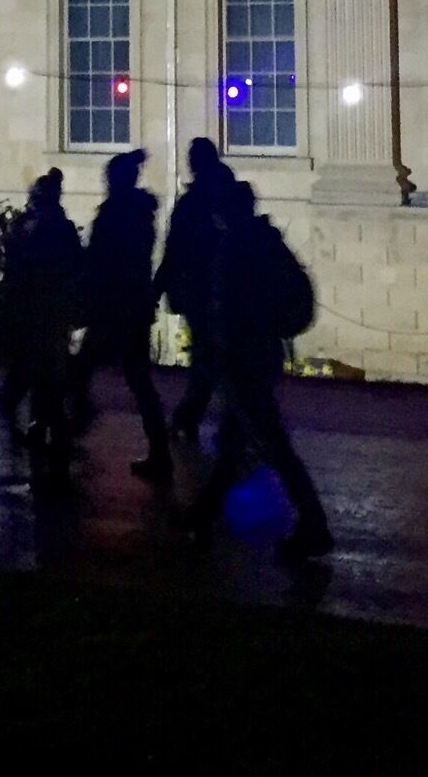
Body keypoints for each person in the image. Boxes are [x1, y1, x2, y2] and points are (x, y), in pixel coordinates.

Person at [188, 180, 332, 562]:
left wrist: (221, 350)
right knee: (234, 443)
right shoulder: (261, 242)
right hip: (256, 355)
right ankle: (202, 513)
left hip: (245, 359)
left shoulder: (240, 247)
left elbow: (230, 310)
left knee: (272, 445)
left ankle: (314, 525)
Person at [69, 149, 172, 481]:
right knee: (137, 380)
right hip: (131, 305)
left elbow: (101, 261)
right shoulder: (138, 214)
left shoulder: (117, 215)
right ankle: (159, 450)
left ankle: (73, 426)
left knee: (87, 369)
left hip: (113, 306)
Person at [0, 167, 83, 481]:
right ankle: (46, 432)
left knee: (35, 377)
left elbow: (18, 271)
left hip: (38, 313)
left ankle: (46, 434)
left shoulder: (36, 229)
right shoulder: (59, 228)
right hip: (49, 314)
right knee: (46, 379)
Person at [158, 137, 236, 439]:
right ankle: (201, 417)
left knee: (208, 356)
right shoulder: (224, 196)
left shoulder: (196, 202)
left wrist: (161, 286)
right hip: (218, 289)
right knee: (213, 355)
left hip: (205, 290)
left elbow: (175, 247)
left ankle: (191, 417)